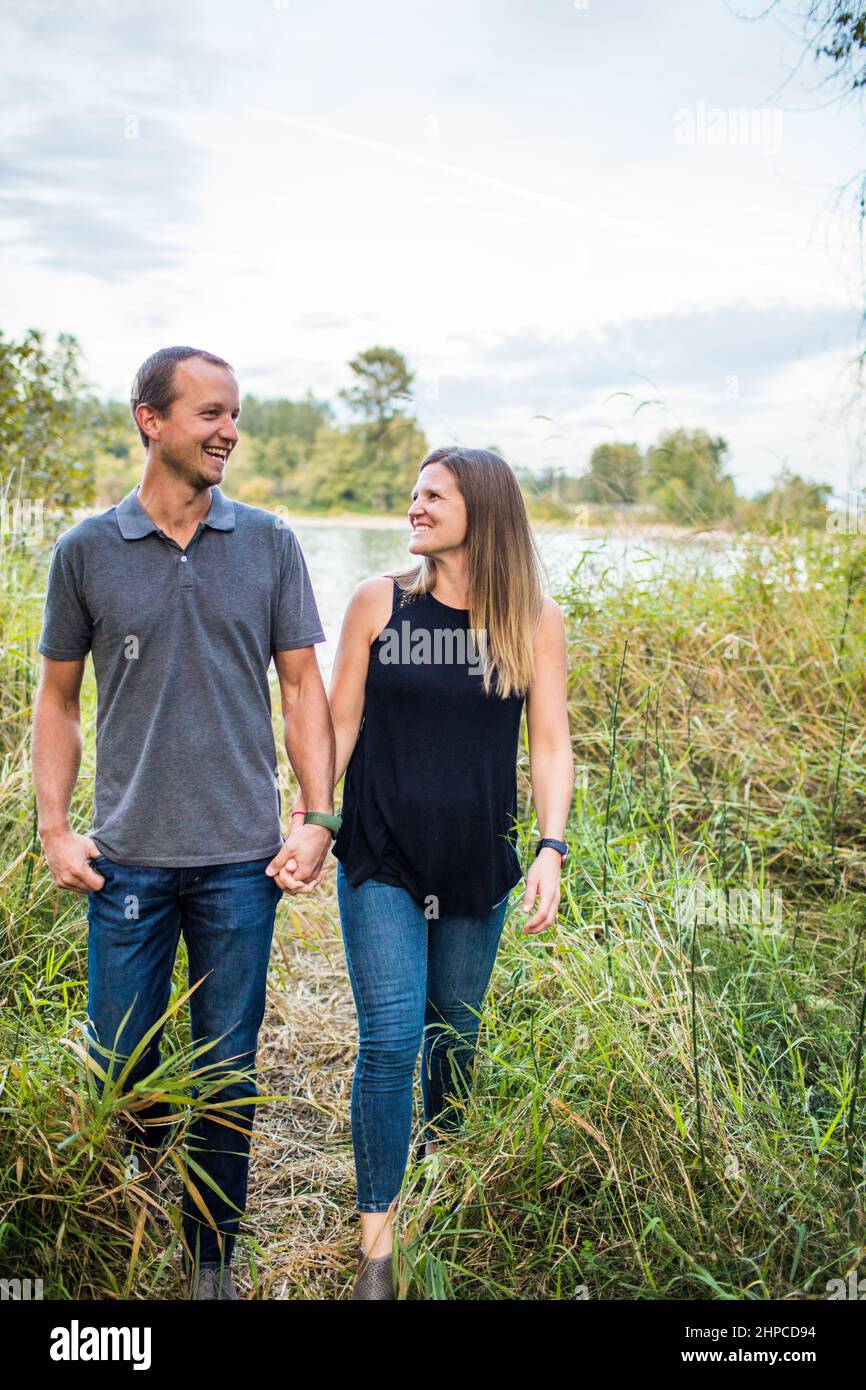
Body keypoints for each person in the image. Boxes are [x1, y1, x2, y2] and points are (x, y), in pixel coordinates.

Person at [31, 345, 337, 1300]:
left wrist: (319, 816)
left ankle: (211, 1258)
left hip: (242, 864)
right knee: (121, 1067)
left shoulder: (270, 543)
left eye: (234, 415)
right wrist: (52, 827)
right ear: (149, 420)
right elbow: (57, 700)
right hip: (123, 863)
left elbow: (301, 688)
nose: (229, 431)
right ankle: (129, 1191)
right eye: (209, 412)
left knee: (229, 1069)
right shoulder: (87, 550)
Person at [276, 446, 575, 1299]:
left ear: (482, 508)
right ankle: (379, 1246)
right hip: (384, 855)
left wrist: (550, 848)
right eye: (413, 493)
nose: (415, 505)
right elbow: (336, 727)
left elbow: (550, 744)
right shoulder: (379, 603)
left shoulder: (532, 621)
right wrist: (316, 822)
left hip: (479, 861)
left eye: (433, 495)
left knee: (454, 1038)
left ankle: (445, 1183)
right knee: (394, 1035)